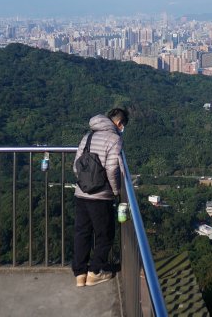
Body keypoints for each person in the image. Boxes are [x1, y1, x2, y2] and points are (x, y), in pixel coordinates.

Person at [72, 106, 128, 288]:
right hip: (101, 196)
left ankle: (80, 274)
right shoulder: (114, 139)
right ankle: (95, 271)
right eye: (123, 125)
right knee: (105, 234)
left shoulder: (87, 136)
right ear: (119, 123)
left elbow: (76, 166)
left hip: (81, 193)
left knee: (82, 232)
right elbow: (112, 169)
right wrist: (115, 191)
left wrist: (85, 183)